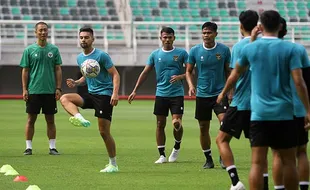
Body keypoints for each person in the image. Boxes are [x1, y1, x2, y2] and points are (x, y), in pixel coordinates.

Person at [217, 10, 310, 190]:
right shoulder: (292, 49)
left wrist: (223, 93)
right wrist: (307, 110)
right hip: (284, 113)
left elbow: (235, 74)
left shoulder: (248, 48)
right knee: (288, 161)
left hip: (259, 114)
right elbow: (299, 82)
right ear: (280, 26)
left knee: (257, 163)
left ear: (261, 26)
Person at [59, 27, 120, 173]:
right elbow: (87, 75)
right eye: (81, 37)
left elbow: (115, 74)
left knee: (104, 132)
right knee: (65, 98)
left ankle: (113, 164)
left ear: (93, 39)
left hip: (105, 95)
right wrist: (76, 82)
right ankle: (79, 117)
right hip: (90, 94)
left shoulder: (102, 56)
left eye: (86, 37)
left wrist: (115, 93)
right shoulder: (80, 58)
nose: (83, 40)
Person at [128, 27, 188, 164]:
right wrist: (135, 90)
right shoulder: (155, 54)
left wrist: (180, 76)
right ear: (161, 38)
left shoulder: (182, 53)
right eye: (165, 37)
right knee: (160, 124)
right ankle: (161, 155)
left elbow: (191, 72)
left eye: (170, 37)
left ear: (174, 38)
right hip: (161, 94)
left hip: (177, 94)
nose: (167, 39)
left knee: (176, 123)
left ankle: (177, 146)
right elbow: (145, 72)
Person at [215, 10, 258, 190]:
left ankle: (235, 182)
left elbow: (234, 74)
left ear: (241, 26)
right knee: (258, 147)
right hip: (261, 104)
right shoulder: (265, 45)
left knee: (221, 140)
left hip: (241, 103)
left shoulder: (240, 47)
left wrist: (224, 92)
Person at [271, 17, 310, 190]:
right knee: (301, 151)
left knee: (278, 154)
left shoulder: (258, 50)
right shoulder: (298, 50)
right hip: (297, 109)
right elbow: (305, 82)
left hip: (272, 109)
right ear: (285, 31)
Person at [186, 22, 231, 169]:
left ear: (215, 34)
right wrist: (191, 85)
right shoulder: (195, 51)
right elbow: (188, 71)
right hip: (202, 94)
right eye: (204, 33)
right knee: (203, 127)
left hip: (219, 93)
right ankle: (208, 158)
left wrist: (230, 90)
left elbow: (228, 72)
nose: (206, 35)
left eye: (209, 33)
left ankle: (223, 154)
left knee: (224, 123)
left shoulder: (224, 50)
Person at [20, 21, 62, 156]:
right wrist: (25, 89)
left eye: (45, 30)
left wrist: (58, 88)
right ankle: (28, 148)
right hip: (34, 91)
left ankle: (52, 147)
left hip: (50, 91)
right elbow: (25, 71)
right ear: (35, 32)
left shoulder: (54, 50)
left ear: (48, 32)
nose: (43, 32)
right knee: (31, 120)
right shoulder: (29, 50)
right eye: (40, 30)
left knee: (50, 120)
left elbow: (58, 69)